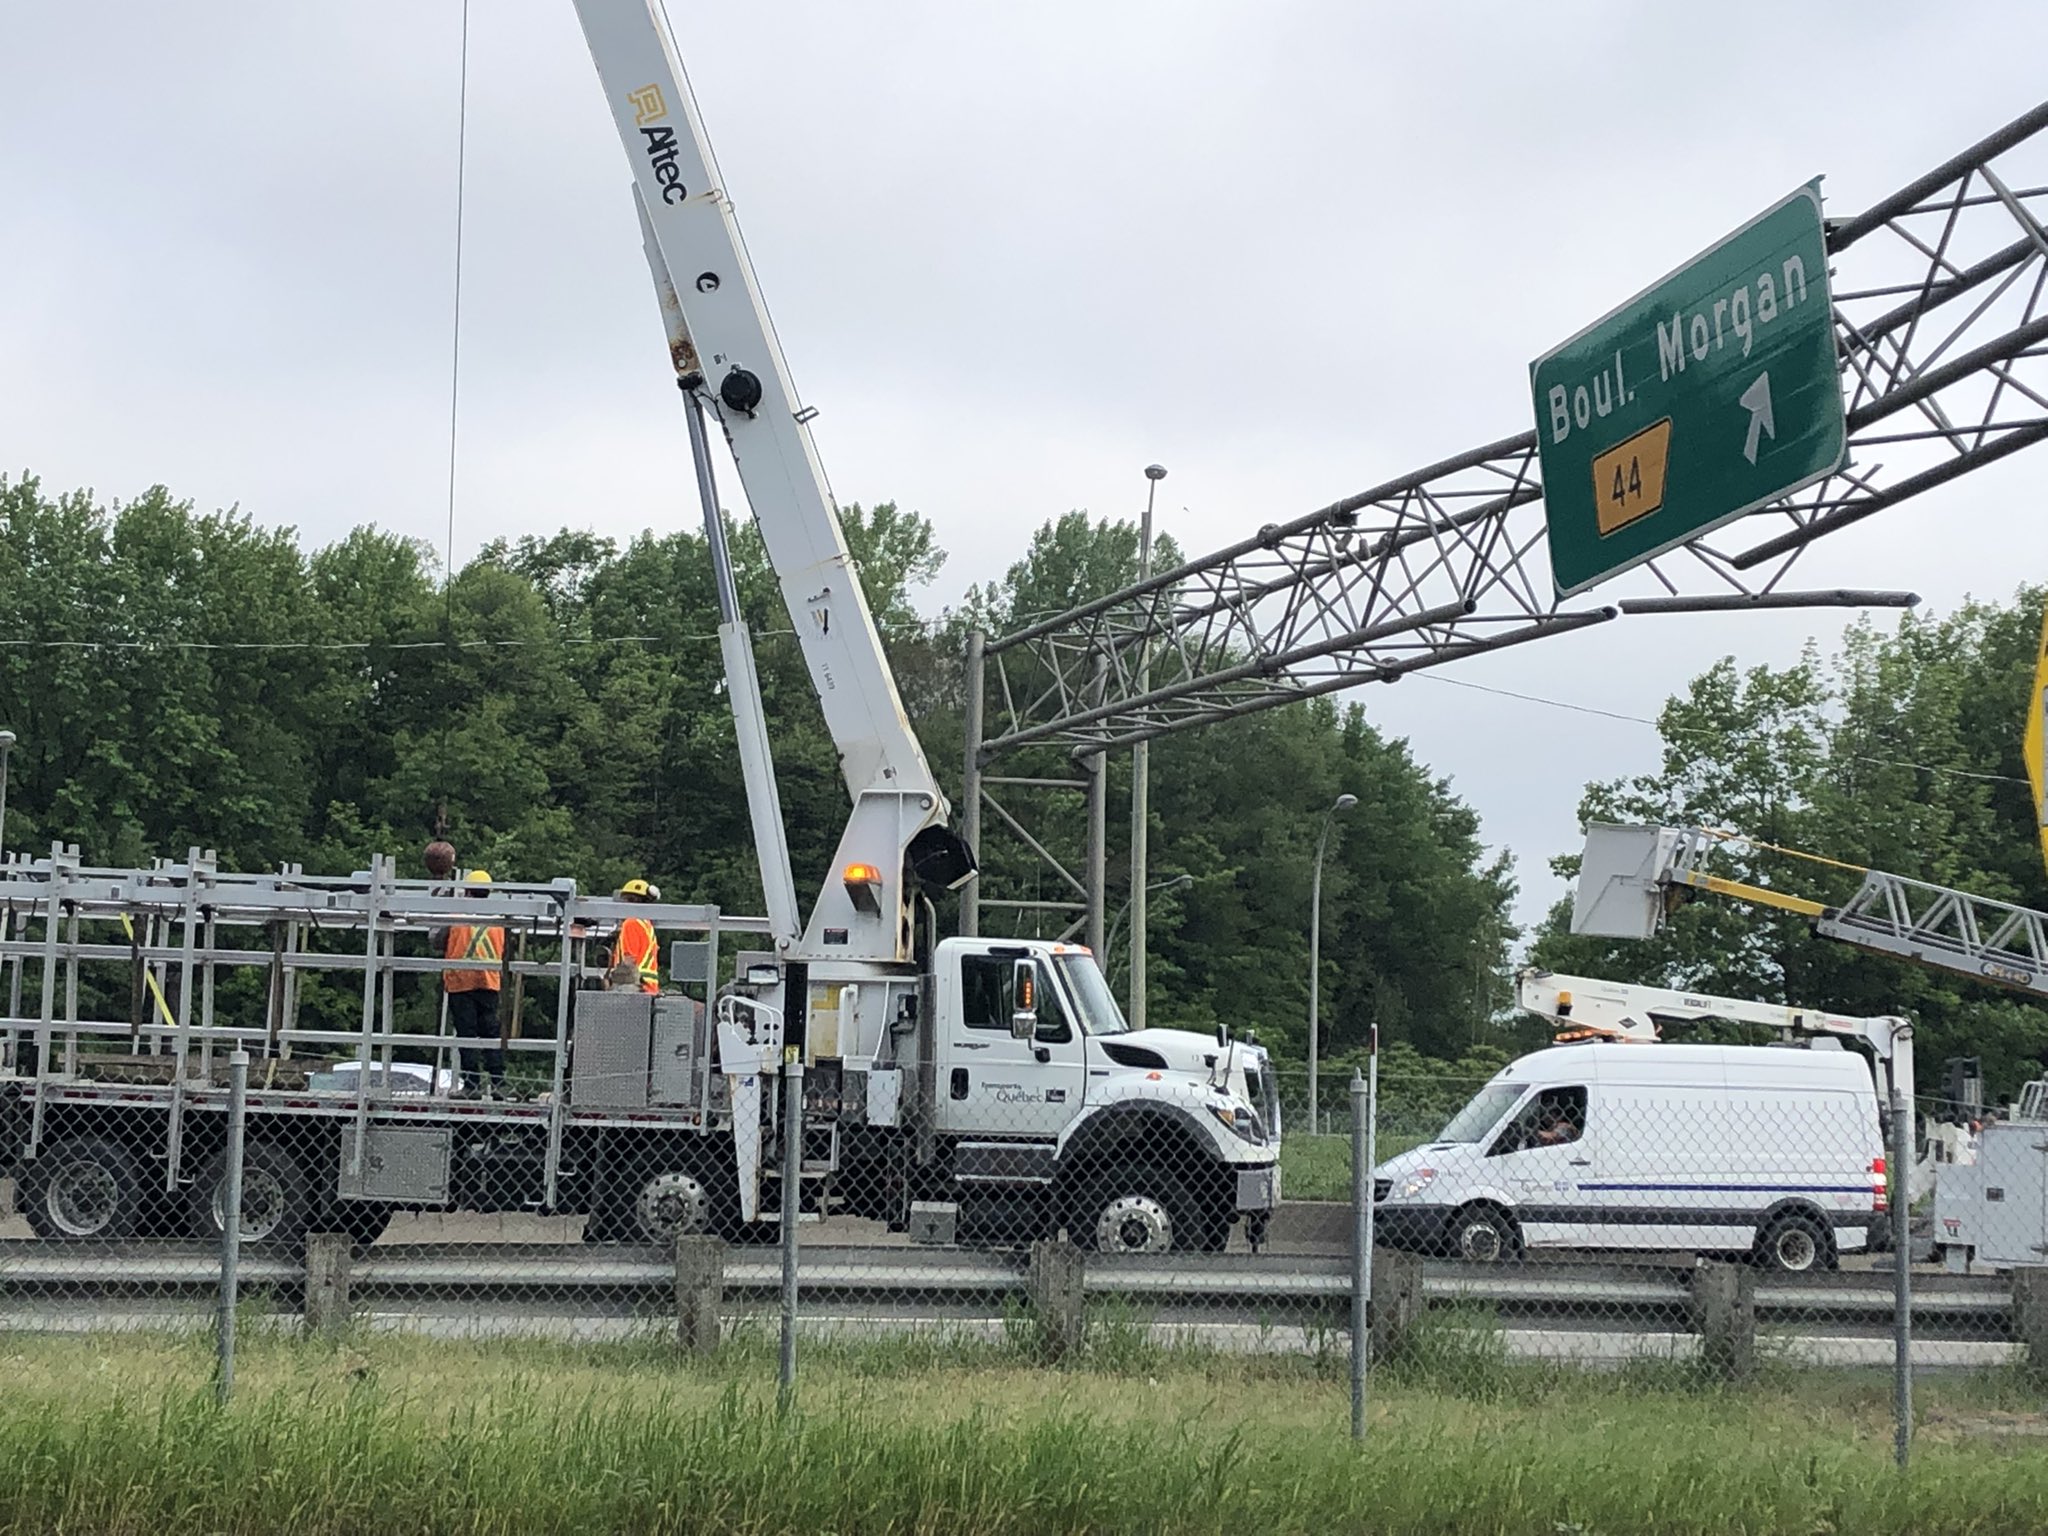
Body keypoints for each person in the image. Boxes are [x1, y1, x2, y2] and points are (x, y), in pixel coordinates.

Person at [442, 869, 507, 1096]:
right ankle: (499, 1083)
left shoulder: (457, 914)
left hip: (461, 982)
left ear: (467, 890)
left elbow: (436, 938)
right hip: (488, 981)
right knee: (490, 1033)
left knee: (467, 1033)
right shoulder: (498, 918)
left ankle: (471, 1085)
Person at [609, 878, 661, 993]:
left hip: (635, 988)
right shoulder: (646, 924)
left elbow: (629, 960)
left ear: (631, 900)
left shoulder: (631, 923)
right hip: (648, 988)